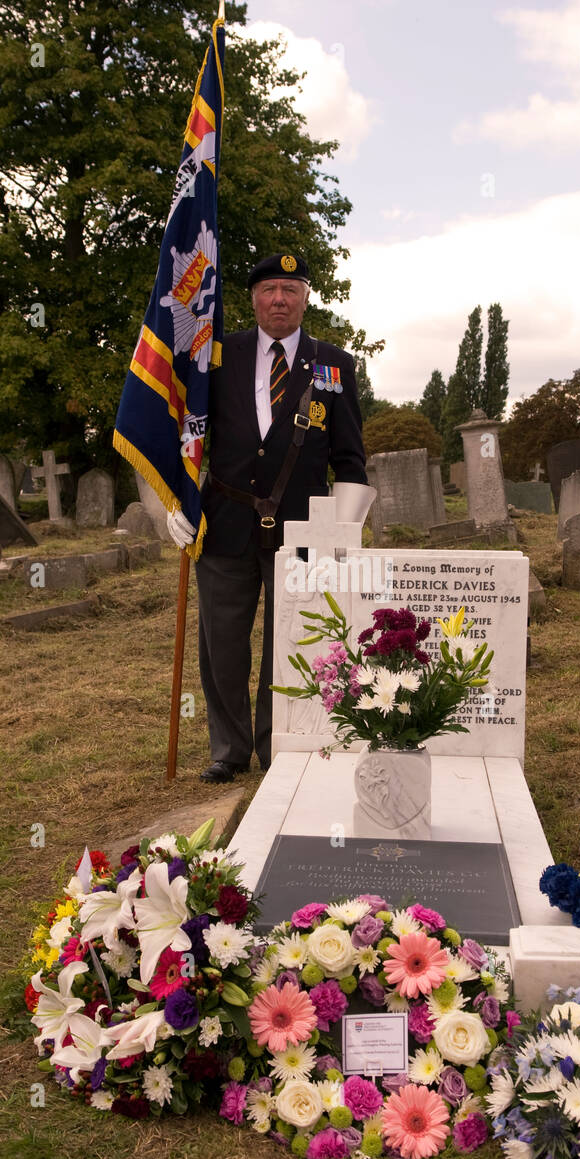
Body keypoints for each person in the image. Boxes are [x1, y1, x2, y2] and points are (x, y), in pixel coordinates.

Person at [167, 252, 368, 782]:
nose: (279, 299)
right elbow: (186, 433)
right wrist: (175, 503)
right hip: (225, 524)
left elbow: (350, 457)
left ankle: (279, 743)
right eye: (268, 290)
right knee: (223, 645)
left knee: (293, 643)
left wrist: (342, 534)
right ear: (253, 298)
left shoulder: (334, 364)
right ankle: (228, 750)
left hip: (302, 532)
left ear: (305, 298)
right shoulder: (215, 356)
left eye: (290, 289)